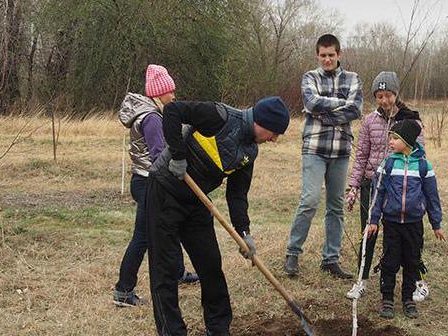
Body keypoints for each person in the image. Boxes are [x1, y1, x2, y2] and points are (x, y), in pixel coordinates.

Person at [145, 96, 290, 336]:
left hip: (196, 199)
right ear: (261, 122)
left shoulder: (249, 153)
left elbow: (237, 195)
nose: (274, 139)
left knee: (211, 265)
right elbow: (172, 111)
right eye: (274, 133)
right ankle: (172, 331)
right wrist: (178, 157)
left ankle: (219, 327)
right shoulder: (219, 116)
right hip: (164, 191)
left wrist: (245, 233)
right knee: (166, 269)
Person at [113, 64, 198, 308]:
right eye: (170, 91)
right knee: (142, 237)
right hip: (147, 182)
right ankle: (123, 291)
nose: (174, 96)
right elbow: (160, 154)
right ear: (159, 93)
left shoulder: (152, 114)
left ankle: (178, 272)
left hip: (146, 180)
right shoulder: (151, 118)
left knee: (174, 223)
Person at [284, 33, 363, 279]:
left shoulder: (353, 78)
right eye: (323, 55)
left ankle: (330, 260)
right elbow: (310, 103)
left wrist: (325, 114)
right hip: (314, 148)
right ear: (317, 56)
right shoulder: (310, 77)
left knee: (336, 206)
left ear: (339, 54)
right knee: (310, 200)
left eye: (331, 55)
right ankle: (292, 253)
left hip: (340, 151)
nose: (327, 59)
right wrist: (340, 105)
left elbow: (356, 109)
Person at [344, 71, 425, 299]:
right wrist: (354, 187)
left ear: (395, 94)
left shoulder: (410, 121)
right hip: (372, 185)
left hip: (400, 188)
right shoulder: (370, 121)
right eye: (379, 96)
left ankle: (417, 281)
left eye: (388, 95)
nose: (384, 101)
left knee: (408, 236)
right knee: (368, 232)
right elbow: (361, 156)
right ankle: (362, 279)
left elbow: (420, 154)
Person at [367, 119, 446, 319]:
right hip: (392, 223)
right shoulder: (388, 163)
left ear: (408, 141)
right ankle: (387, 299)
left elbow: (432, 196)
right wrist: (373, 219)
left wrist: (436, 224)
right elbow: (378, 194)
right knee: (390, 261)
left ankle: (408, 298)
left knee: (412, 261)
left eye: (395, 138)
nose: (390, 142)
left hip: (414, 224)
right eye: (390, 138)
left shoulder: (423, 166)